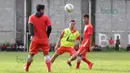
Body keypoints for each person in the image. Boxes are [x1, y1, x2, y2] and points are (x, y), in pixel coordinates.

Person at [24, 4, 52, 72]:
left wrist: (32, 35)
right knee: (46, 55)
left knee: (31, 55)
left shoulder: (31, 17)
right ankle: (48, 70)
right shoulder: (46, 17)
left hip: (35, 39)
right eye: (44, 9)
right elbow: (49, 28)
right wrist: (47, 35)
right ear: (42, 9)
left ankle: (27, 68)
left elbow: (30, 27)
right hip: (44, 40)